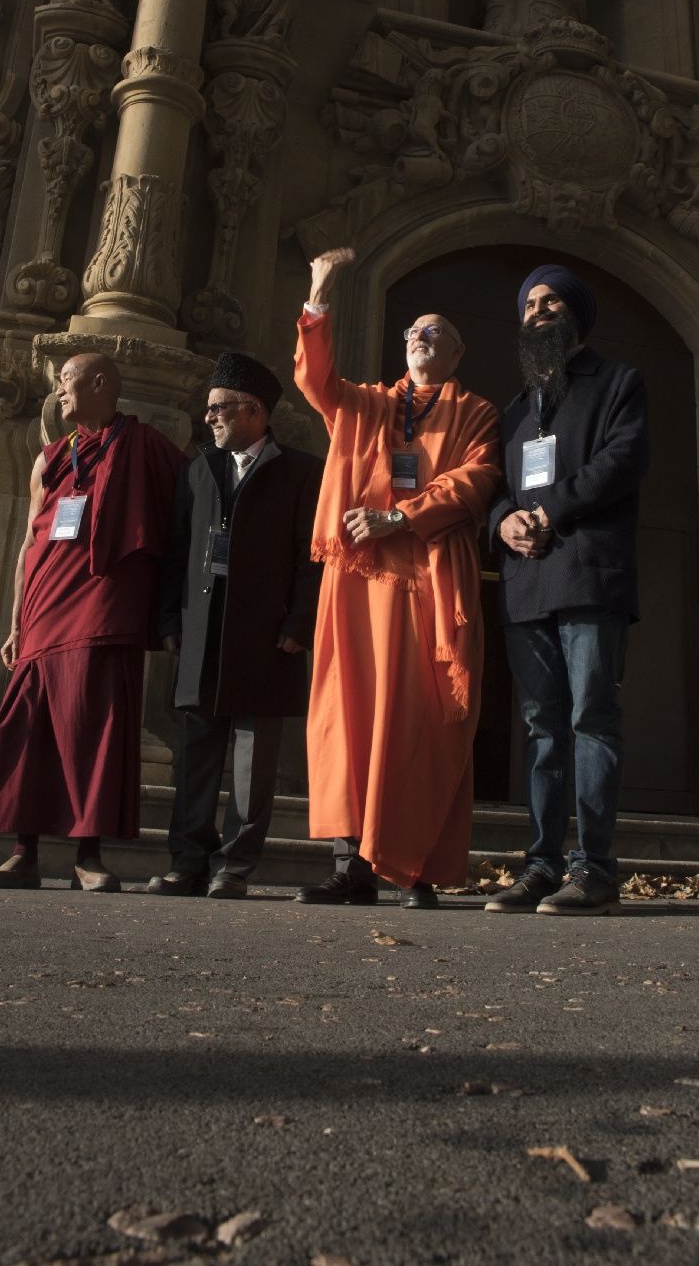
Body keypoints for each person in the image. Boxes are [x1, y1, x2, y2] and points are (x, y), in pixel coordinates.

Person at [293, 246, 501, 908]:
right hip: (359, 581)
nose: (418, 337)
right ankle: (348, 865)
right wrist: (319, 294)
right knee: (349, 715)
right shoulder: (365, 405)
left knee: (425, 719)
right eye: (411, 330)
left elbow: (475, 481)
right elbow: (315, 383)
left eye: (434, 331)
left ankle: (417, 868)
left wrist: (398, 516)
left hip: (431, 578)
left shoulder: (476, 412)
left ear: (457, 351)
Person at [0, 352, 184, 892]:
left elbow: (181, 528)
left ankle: (88, 856)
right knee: (29, 724)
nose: (59, 392)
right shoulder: (48, 459)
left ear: (99, 384)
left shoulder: (148, 448)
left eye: (66, 381)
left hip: (103, 600)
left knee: (94, 722)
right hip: (44, 608)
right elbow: (28, 541)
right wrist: (16, 620)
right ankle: (23, 852)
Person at [485, 266, 648, 918]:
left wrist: (547, 511)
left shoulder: (617, 383)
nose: (539, 310)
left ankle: (595, 871)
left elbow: (622, 460)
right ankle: (540, 867)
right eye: (529, 303)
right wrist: (502, 520)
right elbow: (493, 485)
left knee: (590, 719)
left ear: (575, 313)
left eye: (551, 300)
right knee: (542, 731)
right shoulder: (514, 410)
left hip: (587, 574)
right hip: (526, 582)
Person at [150, 352, 322, 899]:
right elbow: (177, 551)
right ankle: (187, 863)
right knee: (196, 757)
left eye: (218, 409)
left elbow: (309, 557)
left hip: (267, 637)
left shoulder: (300, 471)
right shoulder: (198, 468)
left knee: (253, 762)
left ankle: (235, 868)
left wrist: (299, 624)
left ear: (253, 411)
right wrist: (170, 620)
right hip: (203, 633)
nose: (210, 419)